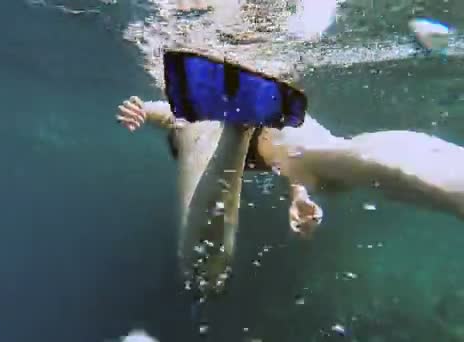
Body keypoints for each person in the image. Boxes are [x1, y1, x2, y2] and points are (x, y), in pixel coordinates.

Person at [116, 95, 464, 237]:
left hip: (368, 156)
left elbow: (177, 117)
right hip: (366, 159)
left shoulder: (239, 121)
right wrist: (299, 195)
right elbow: (289, 161)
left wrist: (145, 110)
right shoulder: (253, 144)